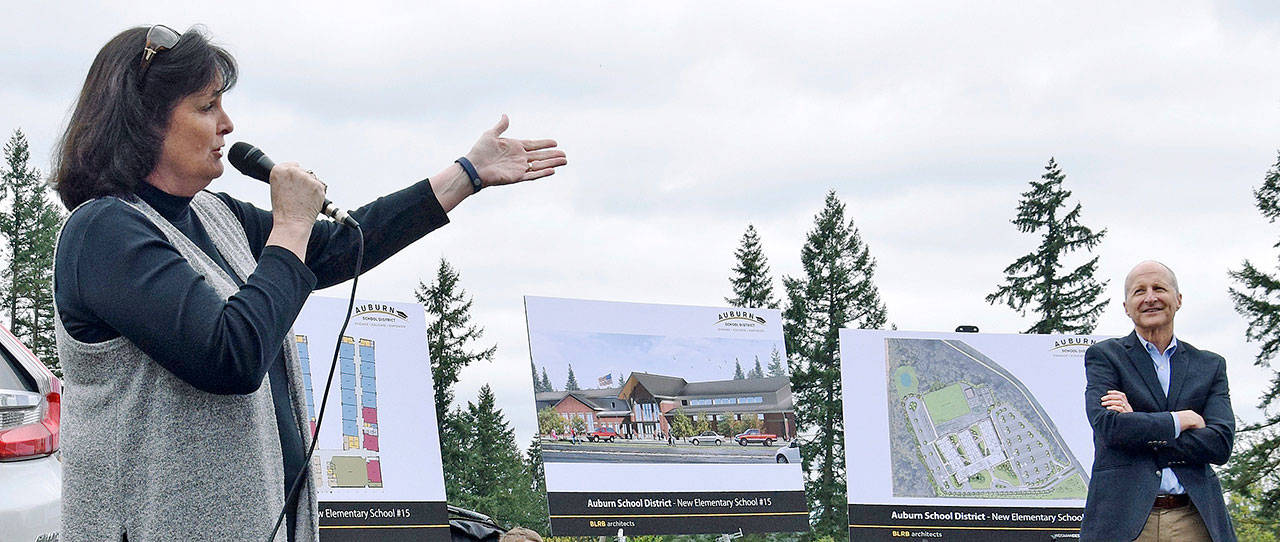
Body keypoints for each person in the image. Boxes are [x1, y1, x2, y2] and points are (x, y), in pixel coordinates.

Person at [51, 25, 565, 542]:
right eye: (207, 107)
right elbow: (230, 355)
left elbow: (333, 249)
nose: (227, 125)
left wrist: (465, 175)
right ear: (144, 120)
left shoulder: (213, 215)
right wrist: (290, 225)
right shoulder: (104, 230)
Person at [1080, 261, 1235, 542]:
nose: (1150, 297)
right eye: (1139, 291)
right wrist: (1181, 421)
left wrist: (1139, 424)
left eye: (1159, 288)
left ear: (1178, 300)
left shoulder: (1210, 365)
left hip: (1193, 520)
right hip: (1124, 521)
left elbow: (1221, 443)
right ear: (1126, 306)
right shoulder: (1105, 357)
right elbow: (1110, 428)